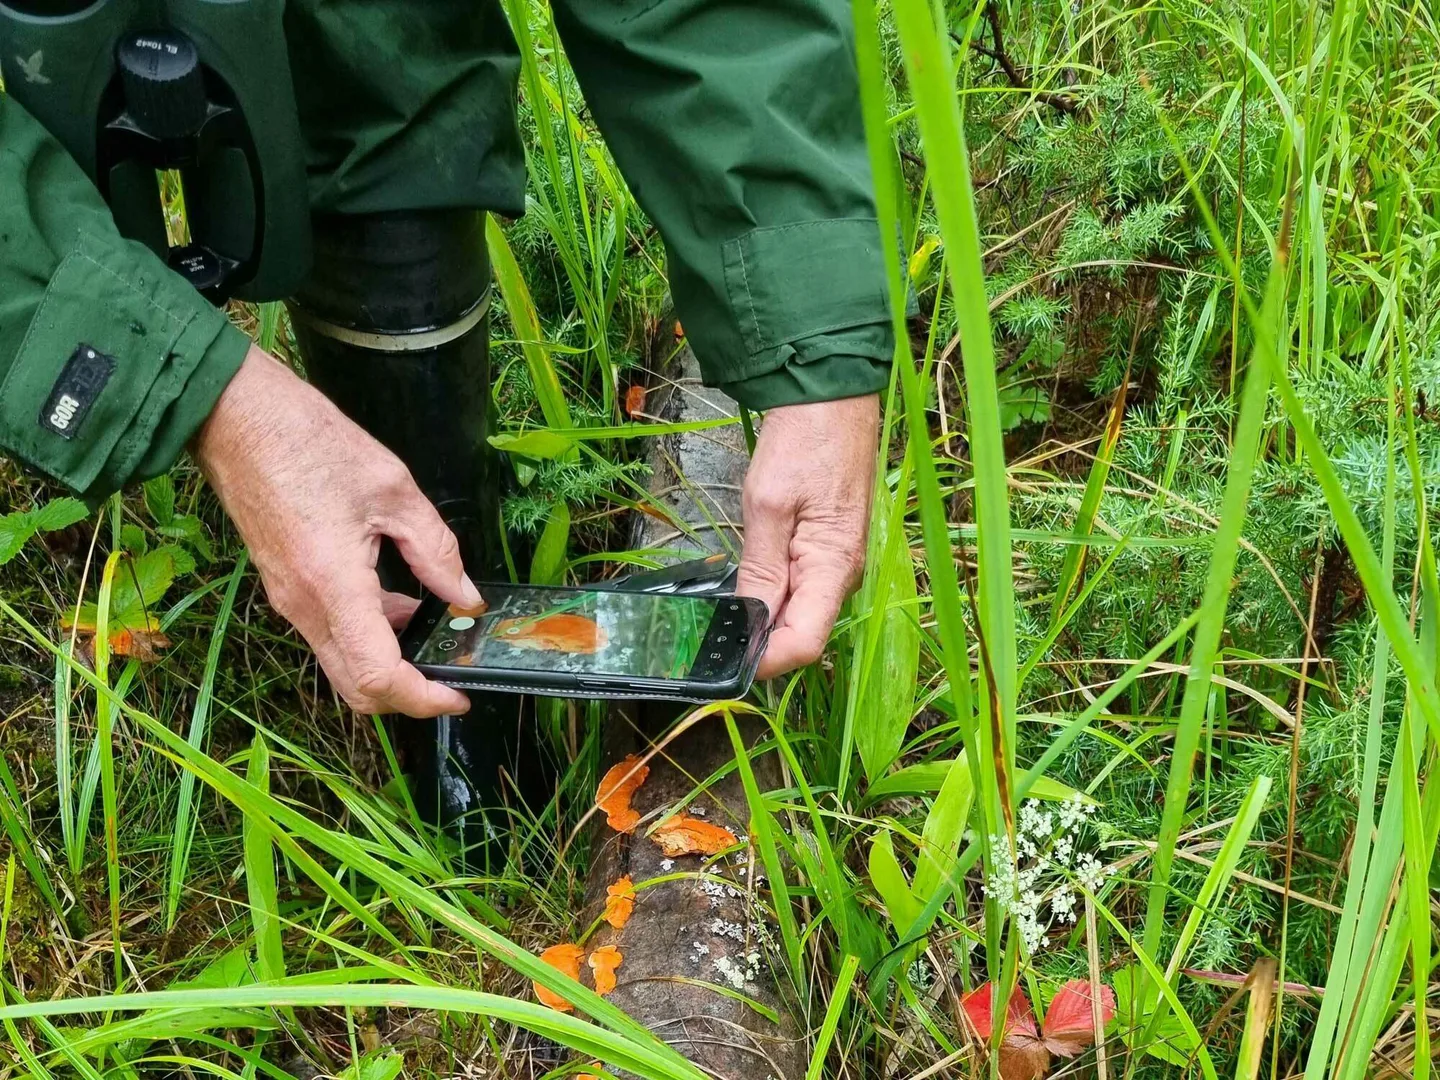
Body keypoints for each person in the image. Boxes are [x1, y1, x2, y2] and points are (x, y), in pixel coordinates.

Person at [0, 0, 892, 721]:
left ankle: (462, 702)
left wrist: (819, 339)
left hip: (384, 101)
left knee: (383, 85)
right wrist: (203, 396)